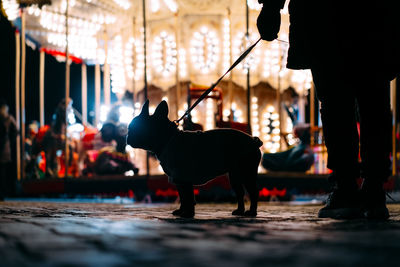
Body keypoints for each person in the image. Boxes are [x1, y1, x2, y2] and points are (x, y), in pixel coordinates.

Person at [257, 0, 399, 219]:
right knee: (373, 100)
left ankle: (346, 186)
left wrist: (271, 5)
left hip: (322, 16)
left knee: (336, 102)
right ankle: (373, 186)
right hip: (373, 16)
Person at [0, 100, 18, 200]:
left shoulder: (8, 118)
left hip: (4, 147)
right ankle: (3, 193)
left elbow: (15, 131)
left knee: (3, 172)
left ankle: (3, 193)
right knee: (3, 172)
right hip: (5, 146)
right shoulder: (8, 118)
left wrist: (11, 140)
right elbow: (15, 131)